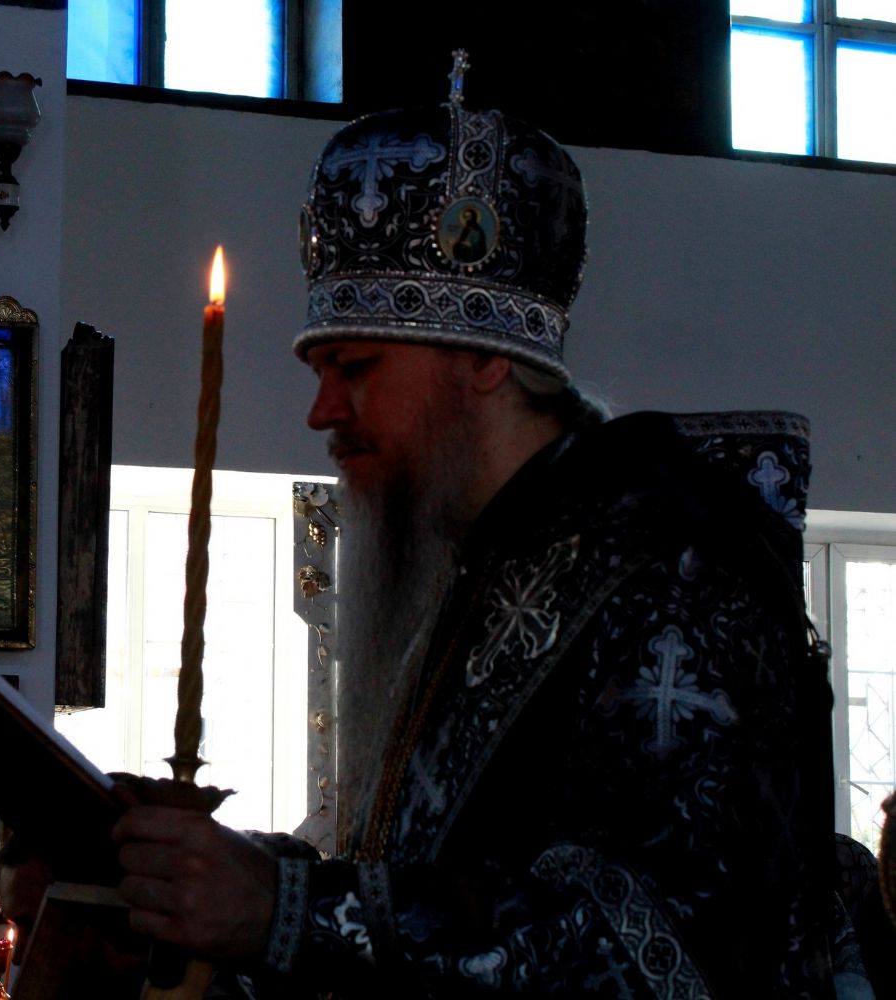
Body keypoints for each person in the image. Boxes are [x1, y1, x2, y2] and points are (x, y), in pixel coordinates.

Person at [108, 68, 844, 996]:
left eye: (356, 366)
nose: (321, 411)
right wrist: (212, 885)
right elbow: (433, 881)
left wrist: (286, 911)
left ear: (488, 360)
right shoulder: (482, 565)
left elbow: (648, 940)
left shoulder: (673, 572)